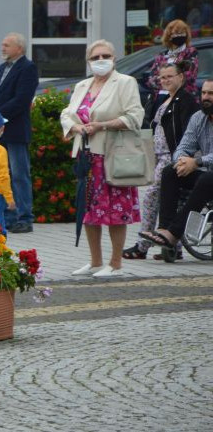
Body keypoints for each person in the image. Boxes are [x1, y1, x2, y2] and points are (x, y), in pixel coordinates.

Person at [61, 39, 144, 278]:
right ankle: (95, 261)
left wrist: (103, 125)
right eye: (95, 57)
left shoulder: (125, 82)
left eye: (105, 56)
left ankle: (115, 263)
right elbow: (67, 113)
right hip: (86, 156)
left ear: (114, 58)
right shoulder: (82, 85)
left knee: (116, 210)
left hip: (113, 155)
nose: (100, 60)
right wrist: (75, 128)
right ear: (88, 61)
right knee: (88, 210)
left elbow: (135, 116)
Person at [125, 62, 197, 261]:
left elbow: (188, 133)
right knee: (169, 201)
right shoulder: (165, 98)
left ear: (180, 77)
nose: (165, 81)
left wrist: (183, 157)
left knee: (149, 197)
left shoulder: (186, 100)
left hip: (172, 157)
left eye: (169, 76)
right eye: (162, 77)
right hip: (159, 155)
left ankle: (142, 246)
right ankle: (174, 246)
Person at [141, 79, 213, 258]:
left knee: (206, 179)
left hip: (208, 176)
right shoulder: (199, 118)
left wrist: (196, 162)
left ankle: (173, 234)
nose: (206, 97)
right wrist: (181, 161)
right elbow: (184, 145)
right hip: (208, 175)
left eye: (211, 94)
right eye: (203, 93)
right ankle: (164, 229)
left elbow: (200, 162)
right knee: (170, 171)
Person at [0, 32, 39, 233]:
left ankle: (24, 217)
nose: (2, 48)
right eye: (2, 44)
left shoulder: (27, 68)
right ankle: (7, 216)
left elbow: (22, 99)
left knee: (19, 174)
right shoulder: (2, 68)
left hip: (15, 130)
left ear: (19, 48)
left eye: (6, 45)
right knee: (1, 174)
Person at [147, 19, 198, 101]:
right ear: (169, 36)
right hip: (162, 98)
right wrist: (170, 82)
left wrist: (164, 81)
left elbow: (189, 77)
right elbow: (151, 80)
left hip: (184, 99)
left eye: (182, 33)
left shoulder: (191, 52)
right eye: (176, 33)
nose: (179, 36)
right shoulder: (162, 56)